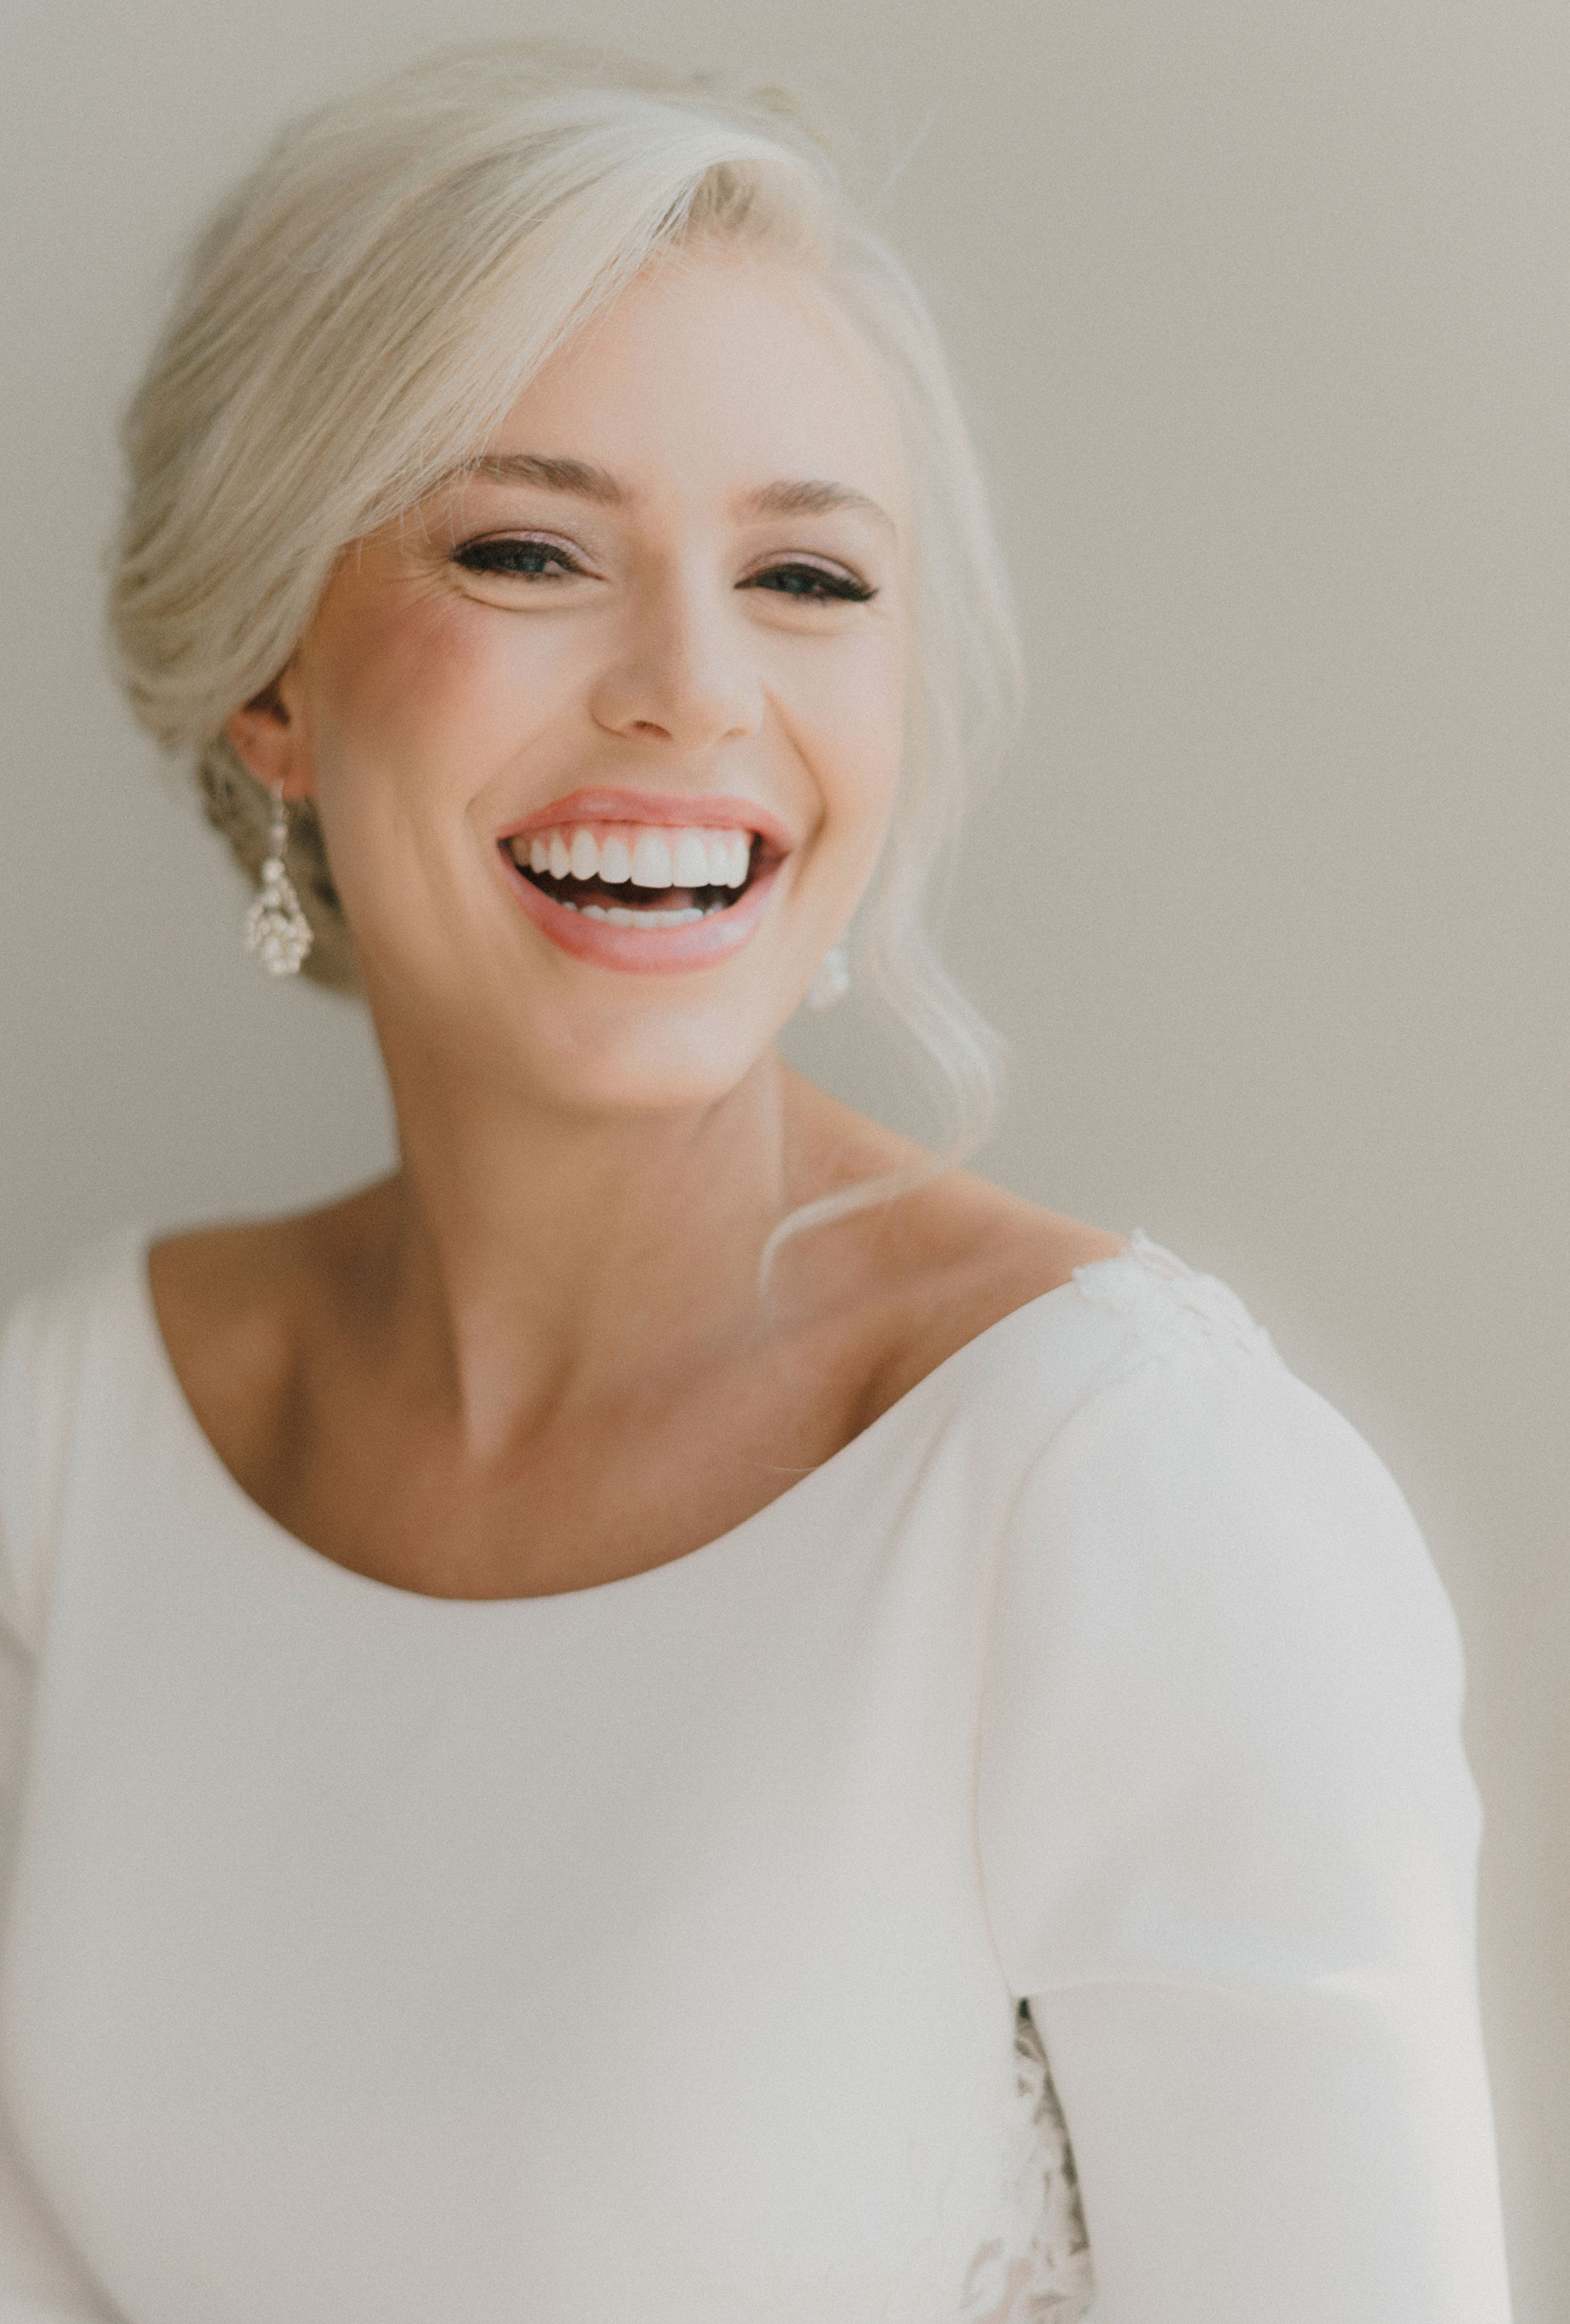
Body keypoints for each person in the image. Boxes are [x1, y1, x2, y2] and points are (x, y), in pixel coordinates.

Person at [0, 41, 1513, 2324]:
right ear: (272, 686)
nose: (692, 693)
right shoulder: (67, 1443)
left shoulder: (1116, 1500)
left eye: (807, 574)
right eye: (525, 550)